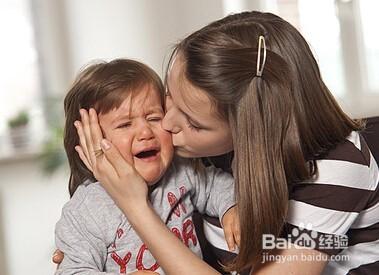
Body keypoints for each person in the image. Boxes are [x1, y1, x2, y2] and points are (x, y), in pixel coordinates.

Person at [54, 11, 379, 275]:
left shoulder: (337, 169)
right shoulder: (200, 154)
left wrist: (135, 206)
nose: (166, 125)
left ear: (247, 129)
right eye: (169, 99)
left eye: (193, 122)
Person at [55, 59, 238, 275]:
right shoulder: (86, 210)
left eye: (154, 118)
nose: (145, 132)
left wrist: (231, 208)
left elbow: (216, 185)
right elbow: (71, 271)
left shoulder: (182, 173)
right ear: (89, 141)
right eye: (125, 124)